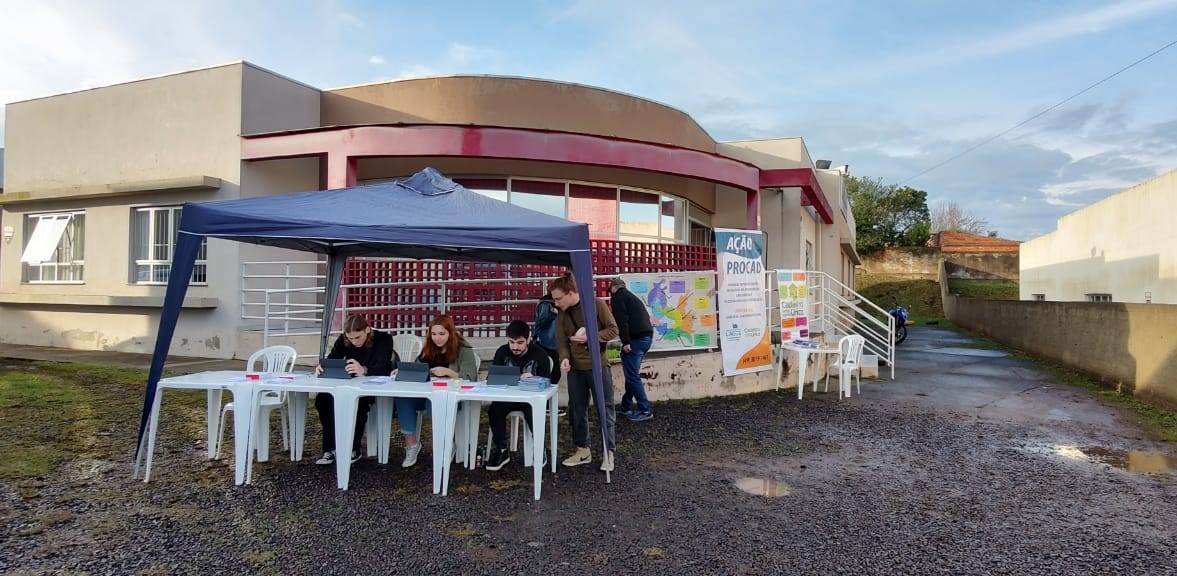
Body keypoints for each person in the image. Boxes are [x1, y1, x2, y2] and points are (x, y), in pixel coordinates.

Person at [551, 271, 619, 472]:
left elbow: (613, 329)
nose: (556, 303)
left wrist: (591, 336)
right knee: (576, 409)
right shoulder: (562, 314)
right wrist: (564, 358)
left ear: (571, 293)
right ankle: (583, 449)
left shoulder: (596, 304)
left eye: (558, 298)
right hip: (575, 369)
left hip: (598, 366)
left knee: (604, 408)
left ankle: (609, 451)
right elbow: (561, 342)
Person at [314, 314, 397, 466]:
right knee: (323, 399)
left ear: (367, 330)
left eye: (358, 337)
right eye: (350, 338)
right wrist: (323, 367)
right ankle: (330, 448)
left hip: (374, 385)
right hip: (349, 383)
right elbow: (332, 358)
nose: (354, 341)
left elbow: (384, 367)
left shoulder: (383, 339)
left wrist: (364, 369)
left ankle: (353, 448)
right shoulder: (344, 339)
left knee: (357, 402)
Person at [399, 314, 479, 468]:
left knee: (435, 401)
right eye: (434, 334)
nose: (437, 338)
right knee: (403, 397)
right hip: (426, 392)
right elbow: (419, 367)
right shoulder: (429, 347)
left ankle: (446, 444)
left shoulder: (463, 348)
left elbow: (471, 377)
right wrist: (404, 371)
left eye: (442, 334)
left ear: (451, 333)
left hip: (451, 396)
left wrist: (449, 372)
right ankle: (412, 444)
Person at [484, 320, 553, 471]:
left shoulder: (539, 354)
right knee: (494, 410)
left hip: (530, 400)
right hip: (507, 397)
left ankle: (539, 447)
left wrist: (534, 378)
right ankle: (502, 449)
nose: (515, 347)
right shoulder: (502, 352)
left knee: (534, 412)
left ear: (528, 339)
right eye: (511, 342)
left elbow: (548, 381)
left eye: (520, 342)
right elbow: (492, 376)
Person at [609, 277, 656, 422]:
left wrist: (626, 342)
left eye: (610, 289)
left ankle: (645, 410)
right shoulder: (632, 297)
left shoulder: (618, 297)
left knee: (632, 376)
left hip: (635, 340)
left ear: (614, 288)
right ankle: (626, 407)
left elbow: (621, 321)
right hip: (646, 338)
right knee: (632, 374)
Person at [533, 292, 561, 385]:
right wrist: (555, 313)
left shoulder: (546, 303)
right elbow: (542, 321)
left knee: (554, 373)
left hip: (551, 343)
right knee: (551, 372)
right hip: (546, 342)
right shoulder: (546, 304)